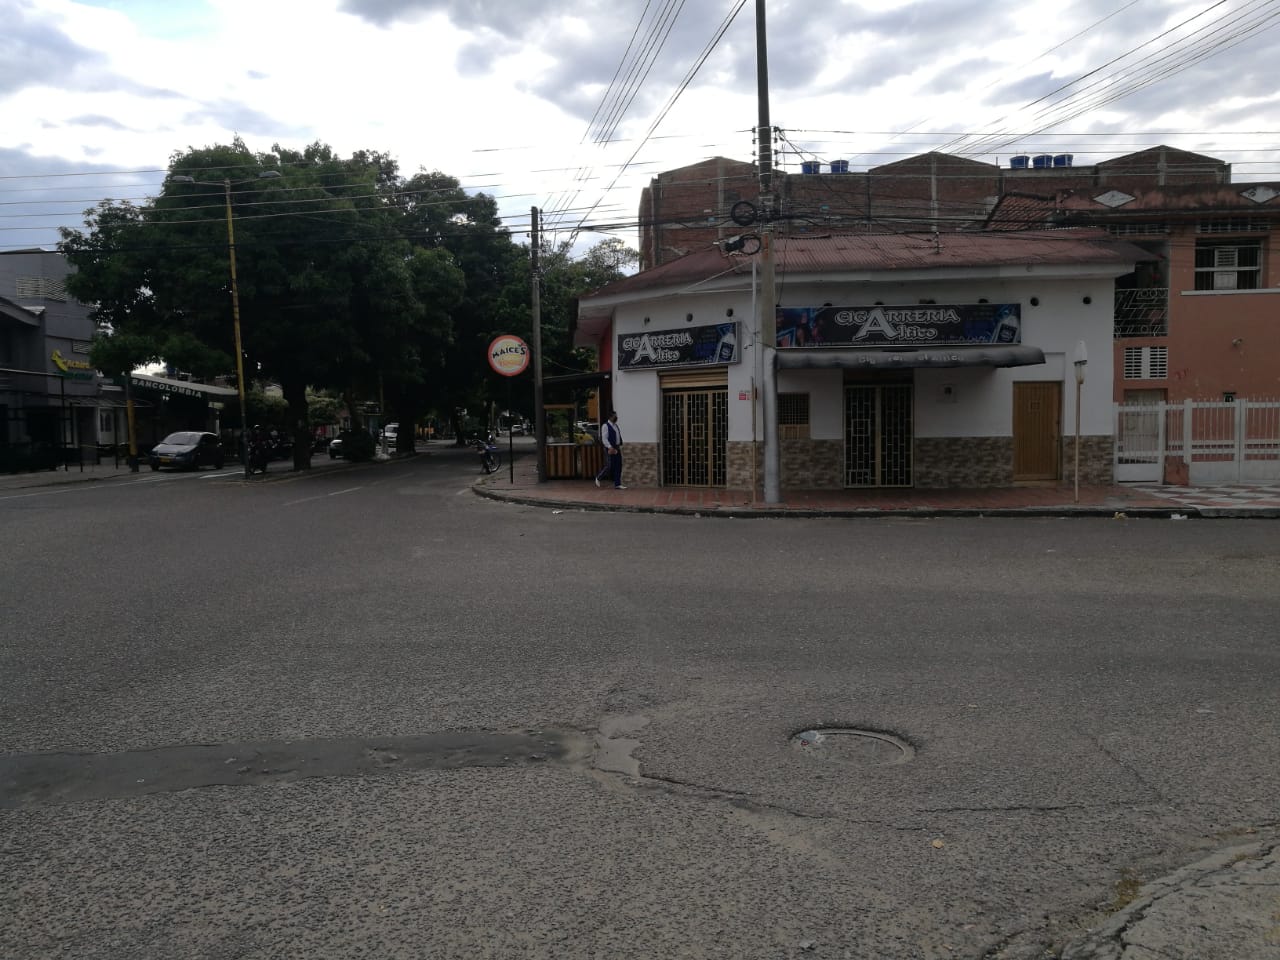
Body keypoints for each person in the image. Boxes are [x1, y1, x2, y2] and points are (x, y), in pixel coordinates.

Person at [594, 411, 626, 489]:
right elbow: (604, 438)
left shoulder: (616, 426)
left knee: (618, 465)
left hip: (617, 447)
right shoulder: (605, 426)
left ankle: (617, 484)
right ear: (611, 417)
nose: (616, 417)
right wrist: (609, 447)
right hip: (610, 448)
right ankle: (598, 477)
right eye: (615, 416)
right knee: (609, 465)